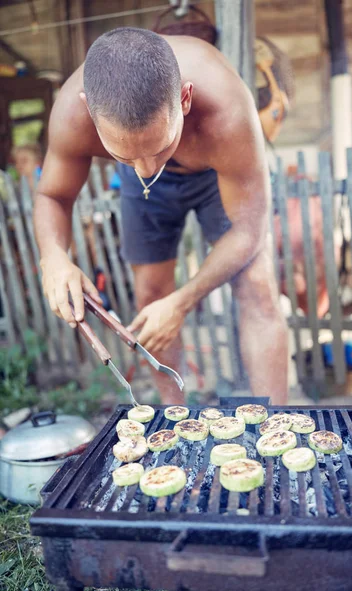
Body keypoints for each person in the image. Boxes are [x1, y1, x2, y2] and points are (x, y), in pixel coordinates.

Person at [33, 27, 288, 405]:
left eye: (159, 146)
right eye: (124, 155)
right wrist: (54, 258)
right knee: (152, 295)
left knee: (257, 284)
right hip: (146, 194)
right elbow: (52, 195)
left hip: (214, 172)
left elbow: (250, 230)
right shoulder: (73, 115)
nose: (147, 168)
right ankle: (176, 420)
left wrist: (184, 301)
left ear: (184, 99)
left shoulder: (227, 109)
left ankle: (275, 432)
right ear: (90, 112)